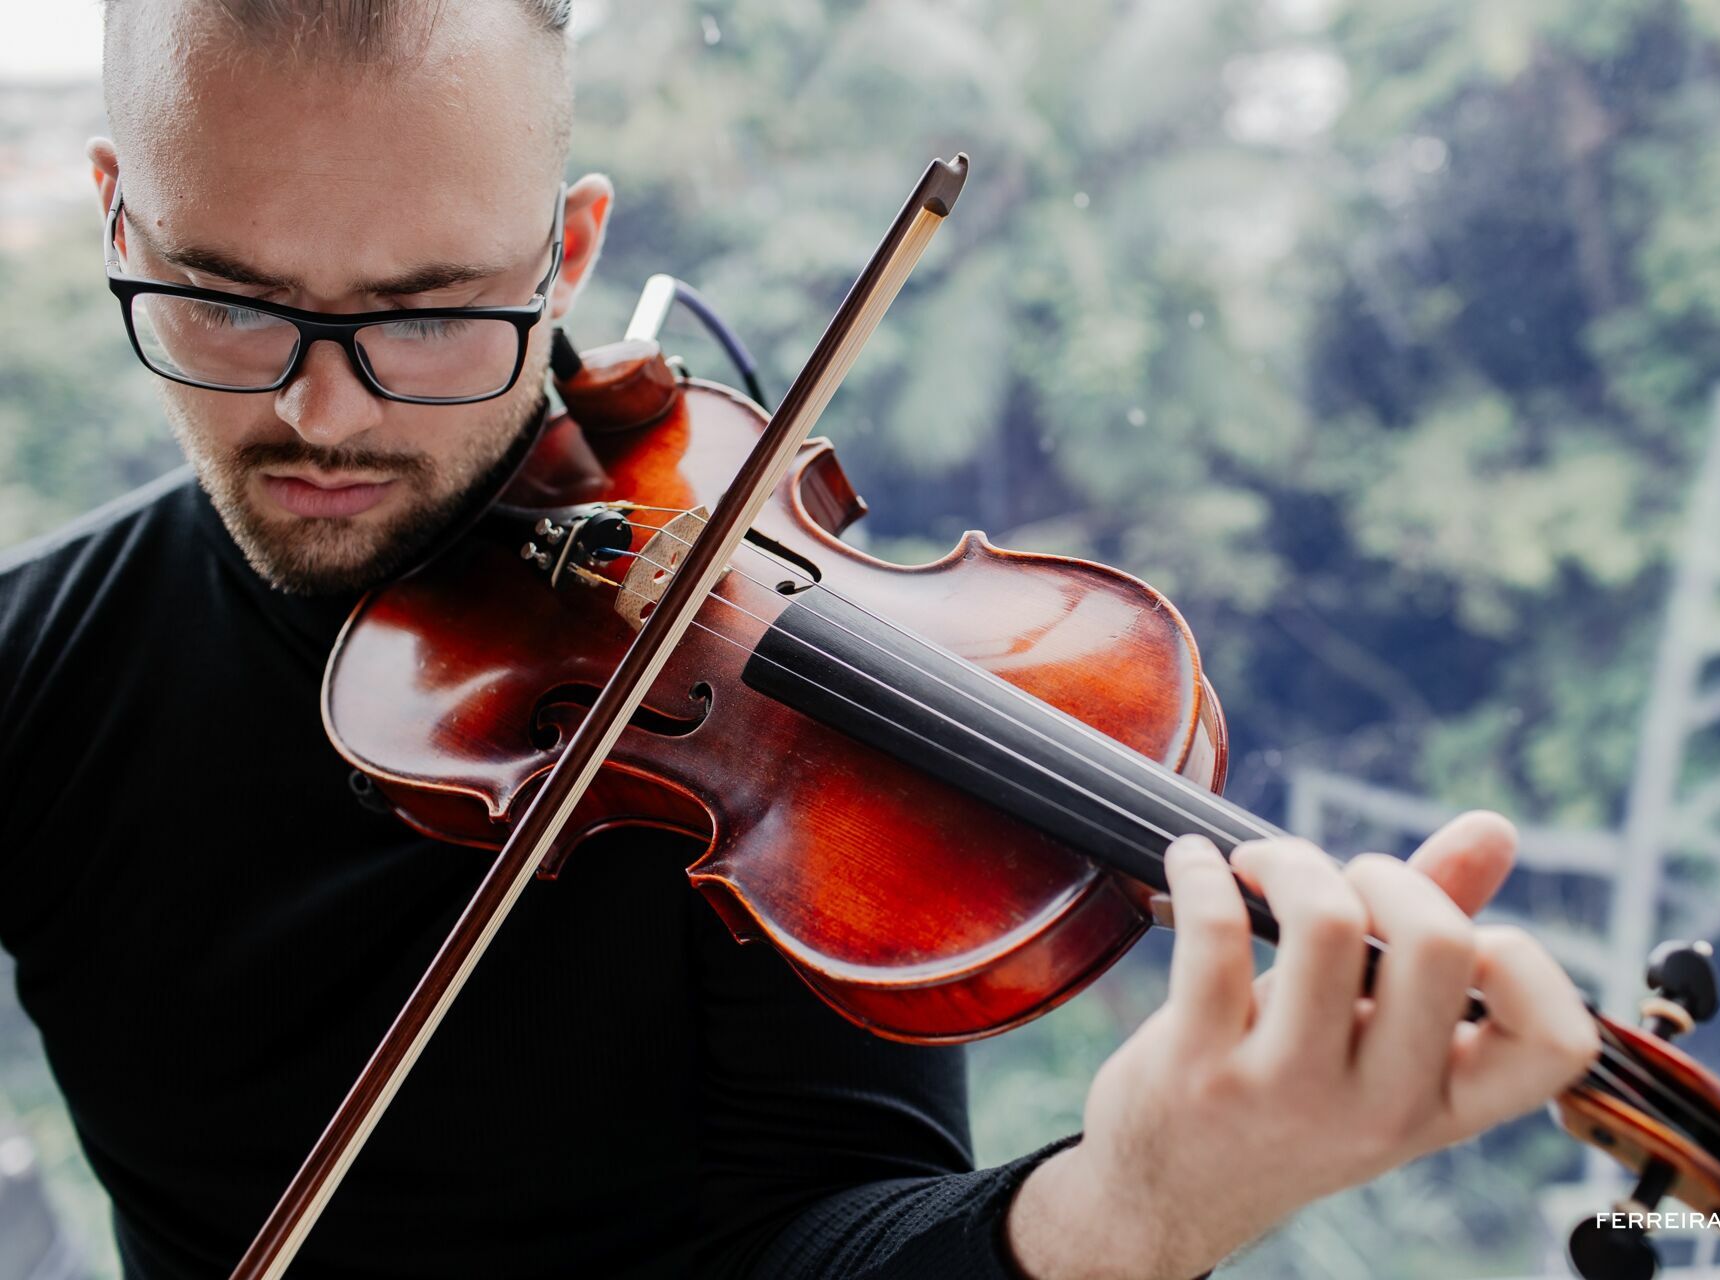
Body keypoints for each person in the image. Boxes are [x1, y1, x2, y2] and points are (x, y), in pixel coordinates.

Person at [0, 1, 1599, 1277]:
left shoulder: (758, 672)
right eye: (224, 301)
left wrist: (1137, 1205)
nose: (318, 408)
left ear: (568, 255)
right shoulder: (29, 673)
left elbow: (817, 1227)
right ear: (116, 218)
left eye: (427, 314)